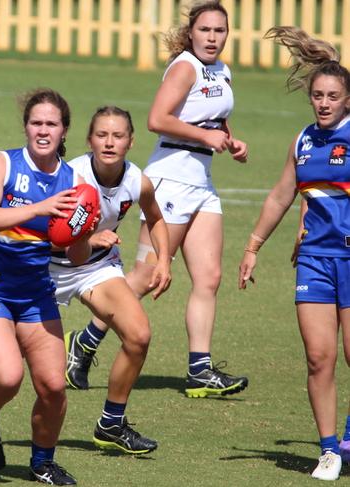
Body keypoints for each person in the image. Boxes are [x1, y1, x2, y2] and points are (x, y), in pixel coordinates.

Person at [0, 106, 172, 460]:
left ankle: (111, 423)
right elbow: (39, 228)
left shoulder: (136, 180)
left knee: (139, 335)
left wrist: (163, 259)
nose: (109, 142)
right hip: (43, 267)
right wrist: (85, 235)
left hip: (92, 268)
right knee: (8, 351)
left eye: (118, 136)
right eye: (102, 134)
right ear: (87, 140)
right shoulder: (73, 174)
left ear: (131, 142)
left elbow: (155, 217)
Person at [65, 0, 249, 397]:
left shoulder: (221, 70)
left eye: (220, 31)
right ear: (192, 33)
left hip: (201, 181)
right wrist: (206, 137)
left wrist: (229, 139)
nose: (212, 37)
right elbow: (157, 119)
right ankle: (83, 344)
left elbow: (212, 115)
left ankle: (200, 370)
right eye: (205, 30)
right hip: (170, 180)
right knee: (149, 275)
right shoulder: (184, 66)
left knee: (209, 277)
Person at [0, 89, 95, 485]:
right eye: (36, 123)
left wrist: (82, 230)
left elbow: (79, 256)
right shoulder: (2, 163)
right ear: (26, 127)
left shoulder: (75, 181)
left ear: (64, 130)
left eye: (51, 123)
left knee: (53, 386)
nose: (43, 130)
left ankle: (42, 463)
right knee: (7, 377)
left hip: (35, 294)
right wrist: (40, 209)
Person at [239, 26, 350, 481]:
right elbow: (280, 196)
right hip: (314, 261)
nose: (323, 103)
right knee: (319, 357)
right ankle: (329, 451)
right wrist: (252, 247)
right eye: (318, 96)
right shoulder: (303, 141)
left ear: (348, 100)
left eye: (333, 96)